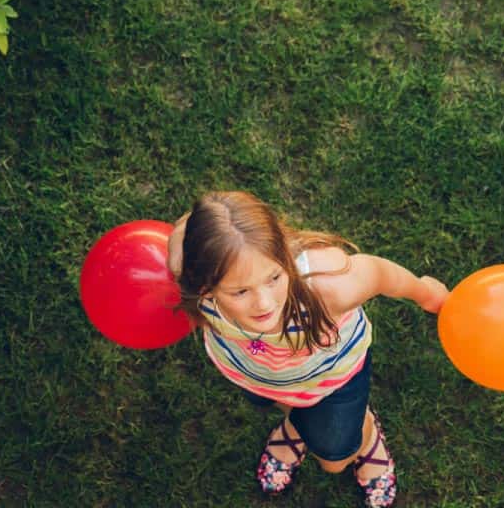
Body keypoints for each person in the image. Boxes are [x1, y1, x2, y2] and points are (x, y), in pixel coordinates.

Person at [167, 191, 449, 506]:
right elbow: (185, 229)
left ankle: (368, 436)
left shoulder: (328, 284)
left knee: (334, 459)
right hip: (256, 372)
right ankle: (298, 423)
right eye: (240, 291)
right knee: (283, 405)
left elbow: (383, 275)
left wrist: (427, 294)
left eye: (274, 277)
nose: (264, 303)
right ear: (203, 282)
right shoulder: (189, 272)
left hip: (331, 377)